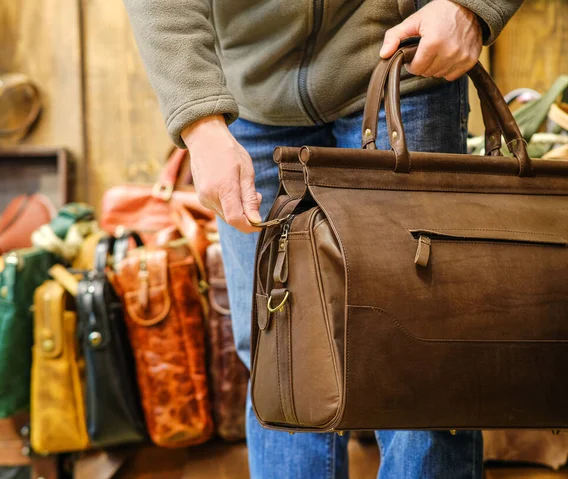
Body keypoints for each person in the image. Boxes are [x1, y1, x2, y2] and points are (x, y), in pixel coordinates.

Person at [123, 0, 523, 477]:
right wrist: (199, 121)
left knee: (424, 350)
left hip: (402, 68)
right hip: (253, 98)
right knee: (280, 360)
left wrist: (471, 7)